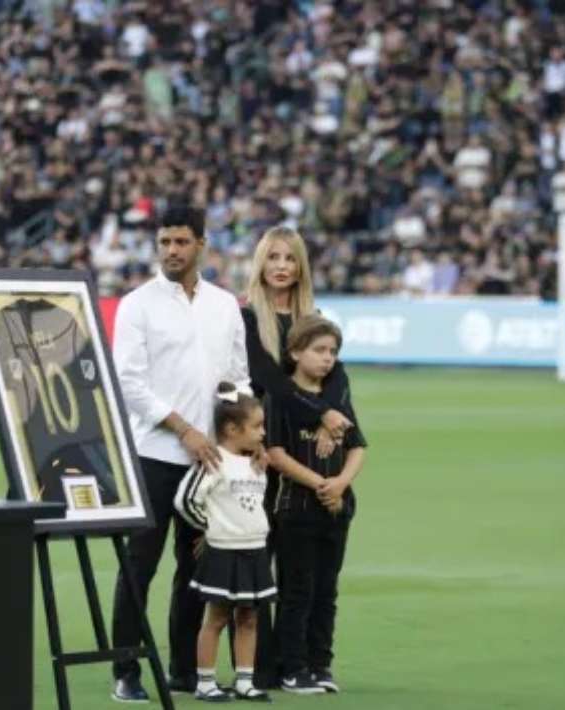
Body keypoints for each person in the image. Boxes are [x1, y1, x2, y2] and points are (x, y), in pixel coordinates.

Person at [111, 205, 251, 701]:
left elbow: (237, 378)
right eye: (165, 242)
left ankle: (184, 669)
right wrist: (185, 428)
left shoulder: (223, 304)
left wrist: (239, 441)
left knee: (195, 569)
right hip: (153, 453)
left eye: (181, 242)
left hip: (208, 461)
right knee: (139, 564)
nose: (172, 251)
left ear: (201, 246)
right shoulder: (137, 305)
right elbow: (129, 382)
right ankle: (125, 669)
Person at [241, 226, 352, 688]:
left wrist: (332, 421)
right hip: (261, 453)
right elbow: (268, 380)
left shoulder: (314, 317)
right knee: (257, 564)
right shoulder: (248, 319)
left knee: (302, 573)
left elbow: (338, 377)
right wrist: (319, 412)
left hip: (307, 456)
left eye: (290, 258)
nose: (282, 266)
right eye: (273, 258)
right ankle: (266, 665)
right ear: (261, 264)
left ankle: (300, 662)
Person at [266, 316, 368, 695]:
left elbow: (357, 445)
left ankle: (320, 664)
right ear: (295, 353)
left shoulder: (336, 399)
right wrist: (318, 482)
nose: (328, 359)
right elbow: (275, 452)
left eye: (333, 352)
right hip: (296, 509)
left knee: (327, 590)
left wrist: (341, 483)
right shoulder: (282, 397)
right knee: (297, 589)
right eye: (319, 350)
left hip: (337, 508)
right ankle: (291, 667)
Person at [174, 383, 275, 702]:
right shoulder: (214, 460)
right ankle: (205, 683)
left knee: (249, 617)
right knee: (216, 618)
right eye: (257, 426)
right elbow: (186, 500)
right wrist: (211, 529)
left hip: (255, 550)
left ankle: (245, 680)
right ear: (232, 429)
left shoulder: (257, 462)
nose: (263, 433)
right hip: (223, 553)